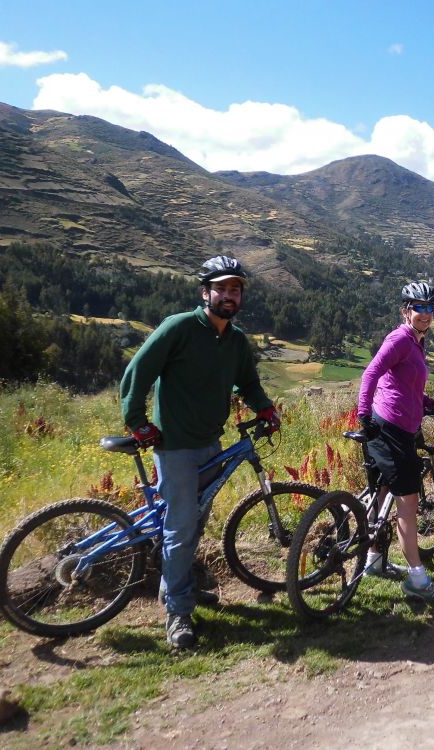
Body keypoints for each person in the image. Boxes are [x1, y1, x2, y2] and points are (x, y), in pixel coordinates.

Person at [120, 255, 280, 649]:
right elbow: (137, 372)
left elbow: (247, 382)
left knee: (196, 519)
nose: (229, 295)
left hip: (211, 442)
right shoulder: (179, 327)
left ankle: (179, 586)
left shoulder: (236, 340)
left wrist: (265, 408)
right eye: (221, 288)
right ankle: (177, 613)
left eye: (235, 289)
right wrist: (137, 421)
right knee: (180, 527)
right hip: (174, 446)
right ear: (205, 291)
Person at [357, 281, 434, 603]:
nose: (426, 313)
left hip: (393, 425)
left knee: (382, 491)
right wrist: (362, 414)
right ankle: (416, 579)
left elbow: (406, 387)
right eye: (420, 307)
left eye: (431, 308)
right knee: (408, 504)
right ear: (406, 310)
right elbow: (371, 373)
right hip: (389, 429)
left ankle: (373, 561)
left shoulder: (417, 342)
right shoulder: (400, 338)